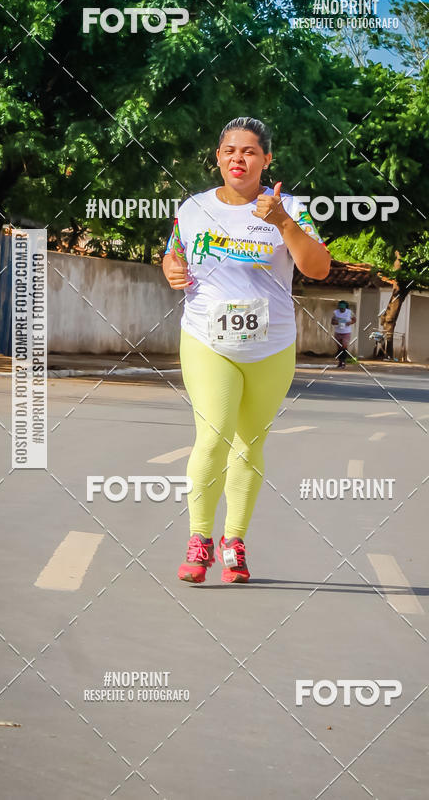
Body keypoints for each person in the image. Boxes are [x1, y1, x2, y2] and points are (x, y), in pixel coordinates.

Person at [162, 116, 330, 584]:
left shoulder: (292, 207)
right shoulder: (193, 208)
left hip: (271, 346)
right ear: (218, 157)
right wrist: (171, 267)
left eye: (250, 151)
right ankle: (199, 539)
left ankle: (234, 540)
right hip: (206, 338)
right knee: (213, 435)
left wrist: (281, 221)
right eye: (230, 150)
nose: (239, 158)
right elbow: (174, 251)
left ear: (266, 159)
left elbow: (317, 267)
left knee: (250, 443)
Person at [331, 300, 356, 368]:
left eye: (343, 308)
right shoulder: (335, 312)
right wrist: (337, 322)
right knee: (339, 348)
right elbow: (332, 322)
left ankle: (344, 362)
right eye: (340, 308)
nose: (341, 310)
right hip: (338, 332)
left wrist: (350, 323)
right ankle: (340, 362)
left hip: (346, 332)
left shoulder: (349, 312)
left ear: (345, 308)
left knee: (344, 346)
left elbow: (354, 319)